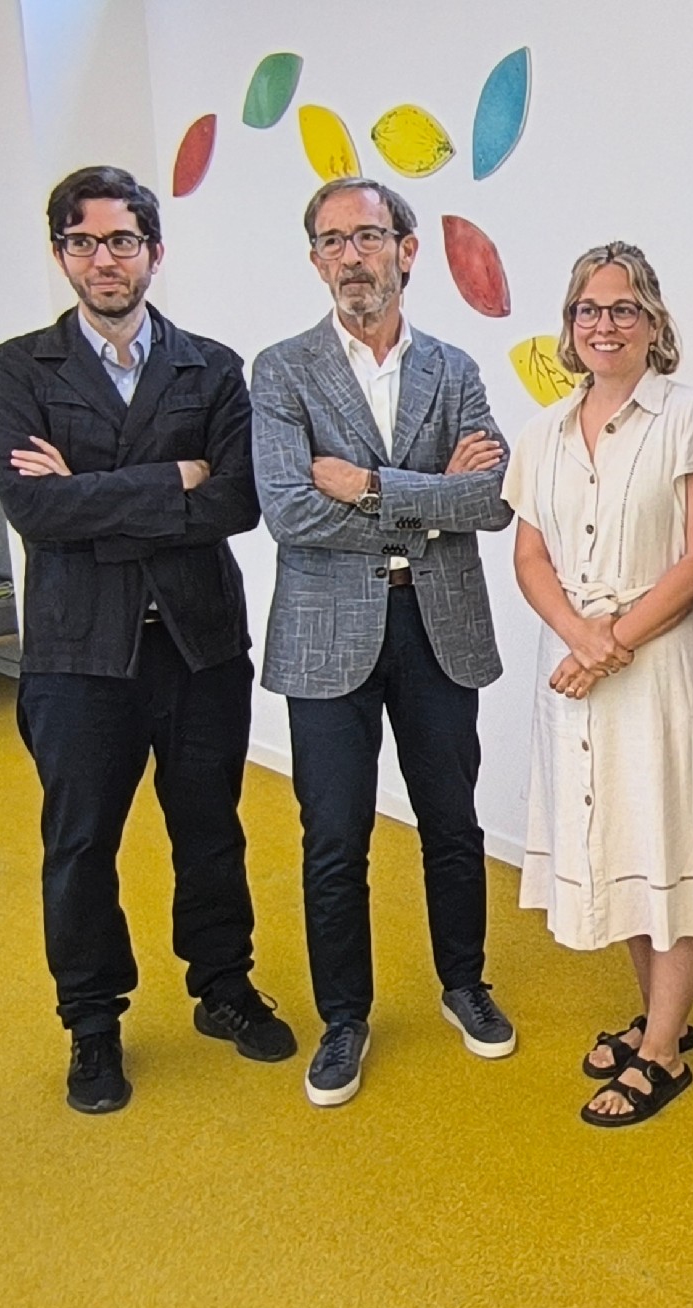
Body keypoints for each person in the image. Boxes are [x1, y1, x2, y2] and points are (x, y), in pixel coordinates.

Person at [0, 165, 295, 1114]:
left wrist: (92, 494)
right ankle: (91, 1022)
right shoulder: (20, 368)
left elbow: (236, 502)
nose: (104, 259)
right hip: (79, 653)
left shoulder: (212, 366)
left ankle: (223, 986)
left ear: (154, 251)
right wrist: (172, 479)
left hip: (198, 644)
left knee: (211, 829)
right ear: (61, 255)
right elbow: (35, 511)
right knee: (81, 843)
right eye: (83, 242)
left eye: (121, 240)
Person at [251, 177, 515, 1108]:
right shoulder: (282, 371)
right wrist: (431, 496)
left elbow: (493, 501)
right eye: (332, 241)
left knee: (453, 823)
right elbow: (289, 511)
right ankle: (344, 1019)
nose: (350, 256)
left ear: (407, 249)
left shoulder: (455, 368)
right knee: (334, 837)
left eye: (367, 236)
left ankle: (464, 984)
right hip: (325, 636)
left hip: (438, 625)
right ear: (315, 260)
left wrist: (366, 484)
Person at [505, 242, 693, 1126]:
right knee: (617, 840)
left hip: (662, 665)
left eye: (623, 308)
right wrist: (581, 637)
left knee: (670, 838)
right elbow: (530, 556)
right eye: (589, 309)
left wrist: (612, 642)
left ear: (653, 322)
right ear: (570, 325)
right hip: (576, 669)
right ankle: (660, 1019)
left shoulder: (690, 416)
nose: (604, 324)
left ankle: (662, 1053)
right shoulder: (544, 432)